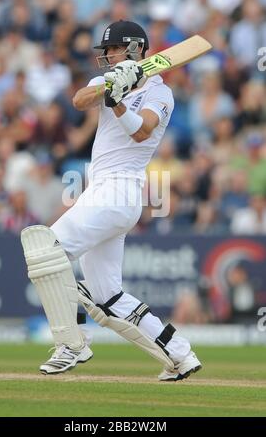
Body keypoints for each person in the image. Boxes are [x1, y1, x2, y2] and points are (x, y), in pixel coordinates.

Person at [21, 20, 202, 381]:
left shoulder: (161, 93)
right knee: (108, 295)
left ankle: (71, 342)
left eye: (112, 50)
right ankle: (181, 356)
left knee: (45, 250)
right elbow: (79, 100)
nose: (105, 56)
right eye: (104, 52)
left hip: (121, 190)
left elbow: (142, 131)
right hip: (99, 191)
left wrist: (119, 102)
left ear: (135, 48)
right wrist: (113, 84)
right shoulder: (108, 78)